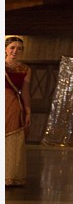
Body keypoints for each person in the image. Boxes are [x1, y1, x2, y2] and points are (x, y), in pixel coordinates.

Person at [5, 36, 32, 187]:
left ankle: (10, 176)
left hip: (15, 105)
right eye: (12, 47)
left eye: (19, 48)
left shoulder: (25, 69)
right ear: (5, 49)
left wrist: (28, 112)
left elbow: (26, 91)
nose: (15, 51)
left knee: (13, 140)